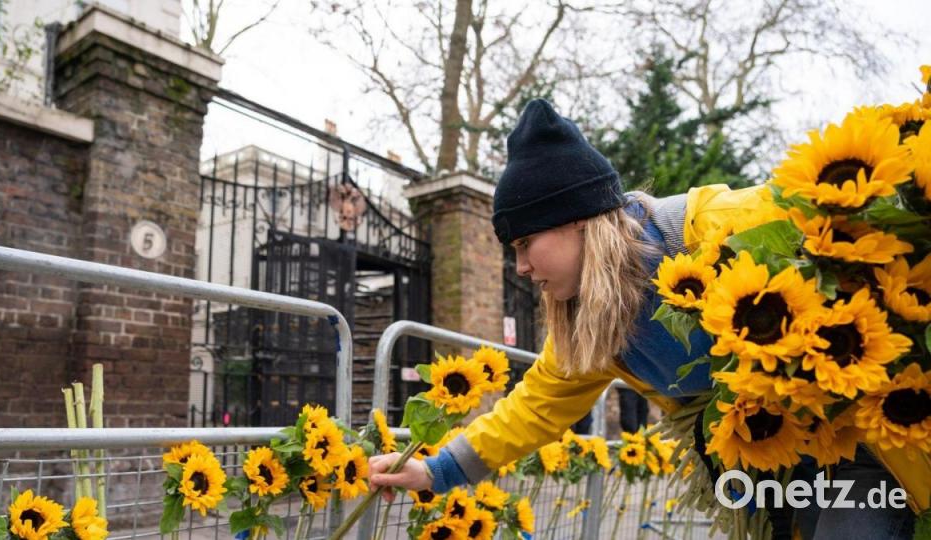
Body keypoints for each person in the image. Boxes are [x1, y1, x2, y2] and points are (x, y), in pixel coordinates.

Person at [367, 99, 915, 539]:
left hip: (877, 432)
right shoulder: (594, 321)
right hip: (773, 460)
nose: (522, 267)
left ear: (579, 222)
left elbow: (860, 219)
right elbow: (534, 406)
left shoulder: (721, 229)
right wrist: (435, 472)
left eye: (526, 243)